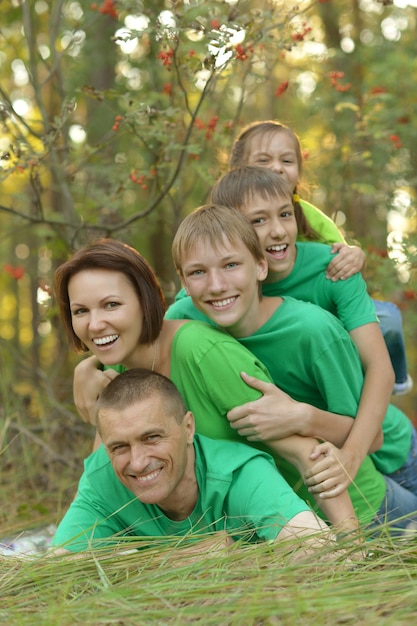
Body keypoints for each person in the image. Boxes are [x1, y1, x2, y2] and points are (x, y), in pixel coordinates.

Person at [58, 239, 415, 535]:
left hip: (360, 511)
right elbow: (103, 484)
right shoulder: (115, 373)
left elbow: (306, 454)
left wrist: (350, 545)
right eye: (80, 311)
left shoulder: (201, 352)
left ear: (144, 301)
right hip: (276, 529)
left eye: (111, 305)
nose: (95, 324)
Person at [166, 166, 412, 497]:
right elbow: (139, 342)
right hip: (318, 455)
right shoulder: (206, 297)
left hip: (381, 442)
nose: (278, 231)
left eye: (285, 215)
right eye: (258, 221)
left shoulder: (334, 270)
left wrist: (350, 455)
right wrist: (91, 368)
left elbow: (379, 368)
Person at [51, 368, 332, 554]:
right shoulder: (103, 479)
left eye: (151, 437)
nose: (136, 463)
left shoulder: (239, 474)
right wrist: (195, 556)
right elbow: (54, 574)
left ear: (187, 428)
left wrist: (242, 563)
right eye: (119, 447)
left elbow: (322, 549)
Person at [229, 120, 412, 396]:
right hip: (264, 309)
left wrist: (356, 255)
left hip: (319, 307)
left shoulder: (313, 220)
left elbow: (341, 261)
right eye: (264, 160)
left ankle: (394, 384)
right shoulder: (225, 217)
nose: (277, 167)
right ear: (237, 170)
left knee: (388, 318)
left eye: (287, 160)